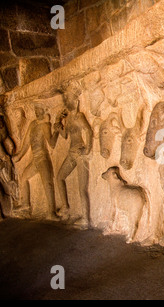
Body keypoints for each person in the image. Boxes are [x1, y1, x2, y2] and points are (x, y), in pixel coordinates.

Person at [55, 80, 93, 228]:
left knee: (81, 187)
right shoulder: (70, 118)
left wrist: (88, 149)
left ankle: (86, 218)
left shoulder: (79, 116)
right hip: (71, 153)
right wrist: (59, 121)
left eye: (68, 98)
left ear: (75, 100)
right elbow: (65, 135)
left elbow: (88, 131)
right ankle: (65, 206)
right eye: (66, 98)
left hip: (79, 153)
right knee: (59, 177)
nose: (66, 101)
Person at [13, 104, 59, 219]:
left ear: (44, 111)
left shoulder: (44, 125)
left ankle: (51, 212)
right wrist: (19, 155)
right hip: (35, 159)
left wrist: (56, 131)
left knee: (47, 184)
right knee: (23, 178)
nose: (37, 113)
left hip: (43, 158)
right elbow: (27, 143)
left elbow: (52, 144)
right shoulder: (33, 124)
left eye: (39, 110)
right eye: (36, 110)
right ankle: (25, 205)